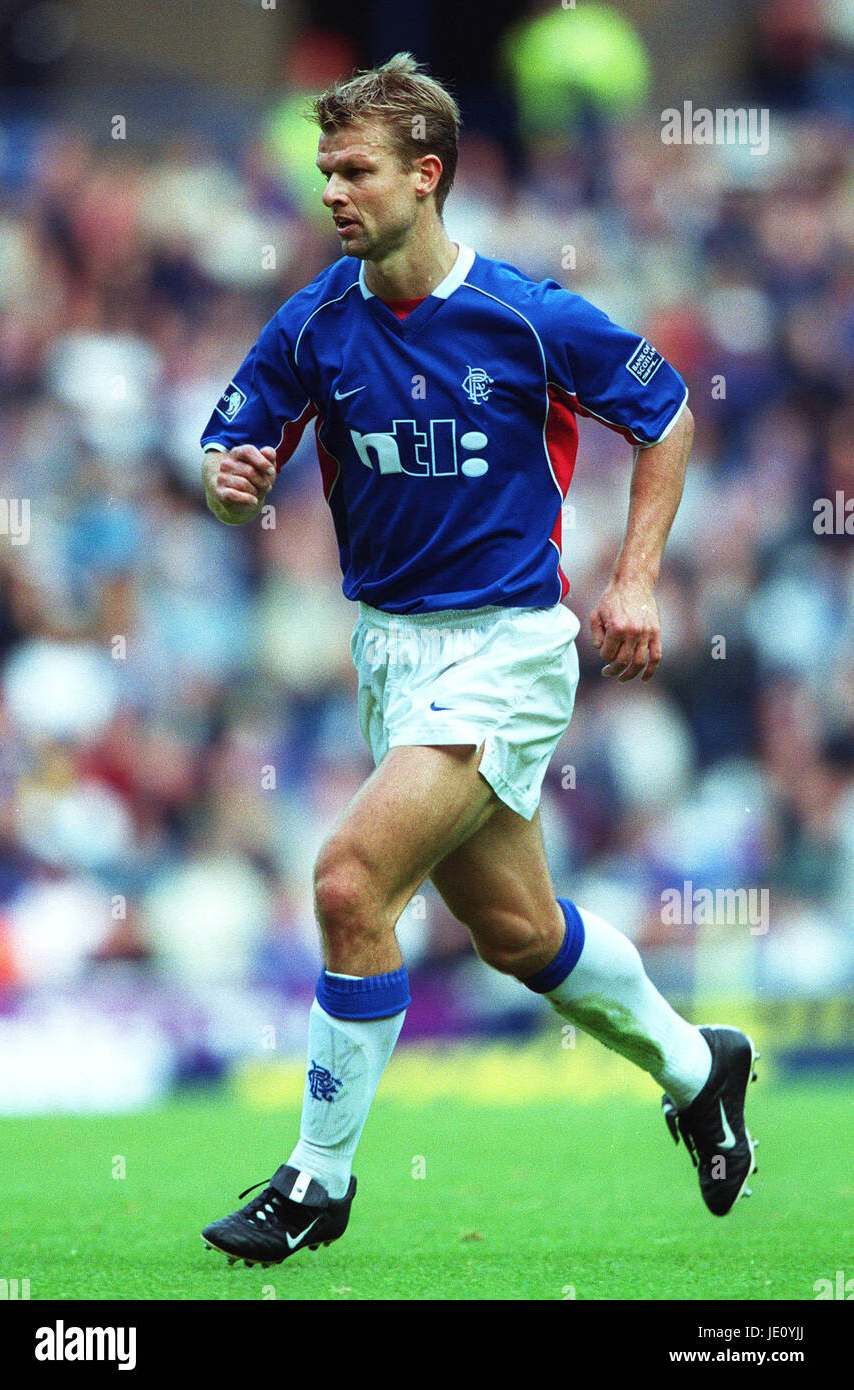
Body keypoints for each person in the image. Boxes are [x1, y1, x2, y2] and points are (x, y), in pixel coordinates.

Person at [198, 54, 758, 1268]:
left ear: (426, 176)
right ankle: (694, 1063)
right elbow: (229, 462)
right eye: (324, 171)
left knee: (350, 881)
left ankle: (316, 1179)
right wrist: (231, 487)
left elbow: (664, 415)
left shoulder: (525, 315)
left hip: (504, 646)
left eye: (357, 171)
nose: (333, 193)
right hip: (392, 654)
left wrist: (636, 576)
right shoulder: (312, 325)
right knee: (516, 934)